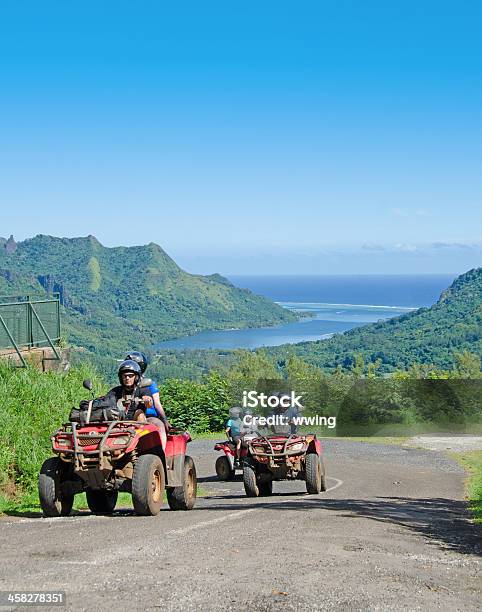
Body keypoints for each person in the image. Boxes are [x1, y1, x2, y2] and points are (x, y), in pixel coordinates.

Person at [124, 351, 170, 448]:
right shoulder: (125, 384)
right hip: (129, 416)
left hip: (148, 416)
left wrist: (164, 420)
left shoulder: (148, 384)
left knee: (159, 426)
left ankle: (162, 457)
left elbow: (156, 403)